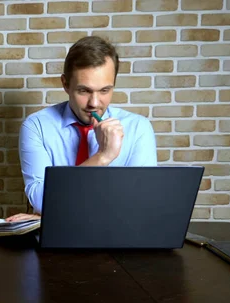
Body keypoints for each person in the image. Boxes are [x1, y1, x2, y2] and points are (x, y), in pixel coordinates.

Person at [19, 36, 157, 214]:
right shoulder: (37, 126)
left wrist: (48, 213)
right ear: (65, 84)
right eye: (84, 90)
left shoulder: (139, 128)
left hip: (117, 238)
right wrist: (102, 157)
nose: (94, 103)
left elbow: (142, 203)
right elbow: (41, 202)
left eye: (105, 90)